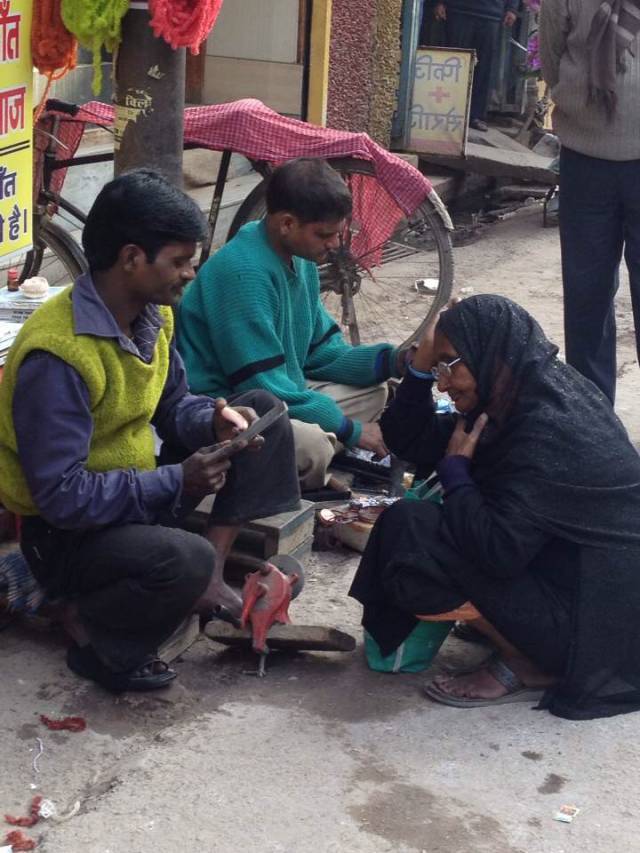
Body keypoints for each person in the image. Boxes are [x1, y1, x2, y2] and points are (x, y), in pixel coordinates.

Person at [0, 170, 300, 693]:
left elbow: (173, 403)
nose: (189, 274)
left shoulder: (152, 318)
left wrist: (212, 419)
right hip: (64, 534)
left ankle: (210, 573)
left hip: (130, 487)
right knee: (184, 558)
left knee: (261, 410)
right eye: (180, 262)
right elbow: (62, 498)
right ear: (132, 258)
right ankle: (95, 636)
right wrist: (175, 482)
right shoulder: (58, 355)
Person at [350, 295, 640, 719]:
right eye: (437, 369)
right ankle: (517, 635)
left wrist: (456, 475)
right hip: (578, 596)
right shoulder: (518, 397)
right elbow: (407, 439)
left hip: (600, 639)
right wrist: (419, 367)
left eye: (449, 365)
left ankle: (528, 661)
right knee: (418, 520)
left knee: (411, 532)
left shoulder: (547, 432)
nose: (443, 384)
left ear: (492, 353)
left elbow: (499, 552)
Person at [177, 158, 406, 493]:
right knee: (310, 447)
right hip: (231, 409)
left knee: (375, 390)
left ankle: (311, 456)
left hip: (281, 392)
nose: (333, 245)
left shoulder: (302, 259)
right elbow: (263, 390)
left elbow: (321, 353)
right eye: (324, 235)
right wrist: (354, 432)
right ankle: (307, 468)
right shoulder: (243, 273)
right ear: (286, 223)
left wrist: (395, 360)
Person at [539, 0, 640, 404]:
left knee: (587, 297)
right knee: (587, 298)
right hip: (586, 161)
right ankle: (593, 423)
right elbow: (551, 55)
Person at [433, 0, 518, 132]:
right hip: (459, 9)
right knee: (454, 65)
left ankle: (476, 116)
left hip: (491, 13)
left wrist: (512, 8)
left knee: (484, 68)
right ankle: (447, 111)